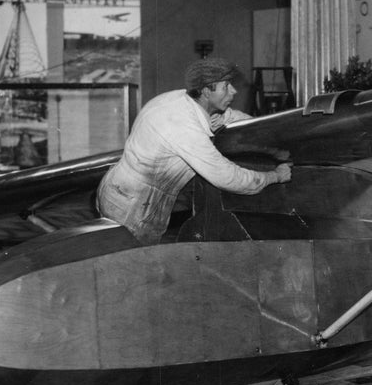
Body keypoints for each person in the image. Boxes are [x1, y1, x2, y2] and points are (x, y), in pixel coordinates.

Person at [97, 57, 291, 245]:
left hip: (120, 190)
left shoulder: (180, 99)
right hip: (131, 209)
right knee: (132, 264)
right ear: (207, 91)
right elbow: (227, 177)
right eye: (226, 87)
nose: (234, 91)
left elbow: (234, 118)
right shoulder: (182, 125)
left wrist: (274, 134)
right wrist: (275, 176)